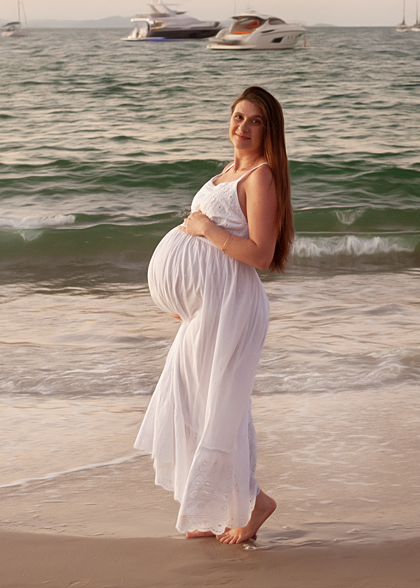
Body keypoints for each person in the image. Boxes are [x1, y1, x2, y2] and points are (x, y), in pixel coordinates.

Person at [135, 86, 294, 545]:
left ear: (269, 131)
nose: (242, 127)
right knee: (192, 399)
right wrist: (184, 301)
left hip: (233, 306)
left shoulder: (261, 176)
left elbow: (261, 253)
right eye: (238, 117)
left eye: (255, 121)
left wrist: (204, 228)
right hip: (208, 308)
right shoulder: (228, 170)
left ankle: (249, 502)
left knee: (220, 404)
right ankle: (215, 505)